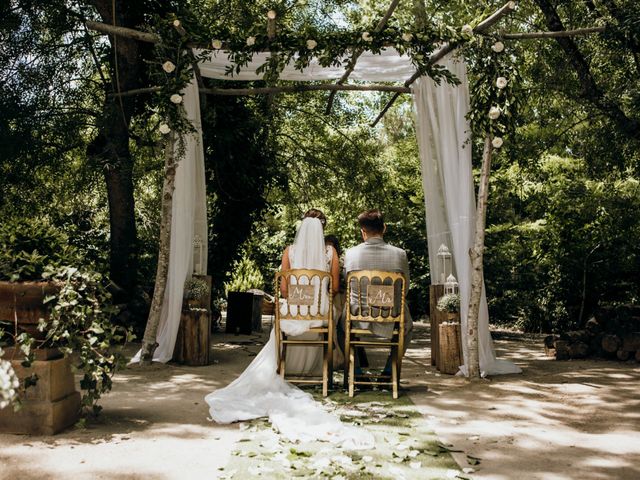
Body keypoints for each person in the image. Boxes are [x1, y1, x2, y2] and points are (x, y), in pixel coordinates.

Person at [204, 210, 372, 449]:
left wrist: (301, 299)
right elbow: (334, 286)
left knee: (284, 324)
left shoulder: (289, 252)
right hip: (319, 315)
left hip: (294, 313)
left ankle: (284, 370)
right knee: (332, 316)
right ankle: (320, 375)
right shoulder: (330, 253)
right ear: (321, 230)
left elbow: (284, 291)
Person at [339, 209, 413, 374]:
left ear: (362, 232)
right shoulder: (400, 254)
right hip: (391, 314)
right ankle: (388, 372)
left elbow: (348, 286)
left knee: (340, 328)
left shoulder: (350, 254)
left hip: (358, 314)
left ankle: (357, 373)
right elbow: (404, 289)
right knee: (408, 328)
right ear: (384, 228)